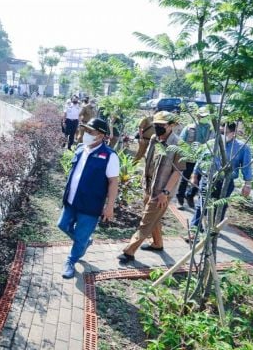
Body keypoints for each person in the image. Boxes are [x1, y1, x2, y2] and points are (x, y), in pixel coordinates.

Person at [119, 111, 184, 263]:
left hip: (161, 192)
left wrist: (165, 192)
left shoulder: (178, 145)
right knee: (154, 218)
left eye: (161, 125)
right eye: (156, 124)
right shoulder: (155, 138)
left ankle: (129, 250)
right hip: (149, 187)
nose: (157, 127)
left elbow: (178, 171)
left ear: (170, 126)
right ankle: (158, 243)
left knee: (146, 221)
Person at [59, 118, 119, 278]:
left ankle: (71, 261)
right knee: (62, 225)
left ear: (100, 135)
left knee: (80, 236)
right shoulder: (80, 148)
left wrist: (109, 206)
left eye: (90, 131)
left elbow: (113, 182)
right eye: (85, 130)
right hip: (71, 200)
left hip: (90, 206)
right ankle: (84, 241)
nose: (85, 134)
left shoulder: (109, 156)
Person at [190, 122, 253, 232]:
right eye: (219, 132)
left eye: (224, 132)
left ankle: (212, 232)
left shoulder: (242, 148)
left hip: (226, 183)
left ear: (233, 133)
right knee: (201, 205)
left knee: (220, 208)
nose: (221, 135)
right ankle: (194, 230)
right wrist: (194, 175)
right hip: (207, 180)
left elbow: (246, 167)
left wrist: (247, 184)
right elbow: (201, 160)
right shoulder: (211, 143)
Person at [175, 108, 213, 208]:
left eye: (205, 116)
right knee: (185, 178)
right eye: (202, 116)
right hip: (189, 158)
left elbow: (212, 143)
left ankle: (190, 195)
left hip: (202, 159)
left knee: (199, 180)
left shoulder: (210, 129)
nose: (204, 118)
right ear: (197, 116)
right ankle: (180, 198)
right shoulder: (189, 127)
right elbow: (181, 141)